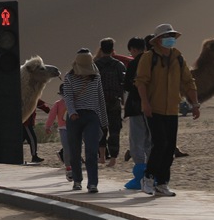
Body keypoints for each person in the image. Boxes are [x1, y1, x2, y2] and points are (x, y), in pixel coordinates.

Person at [136, 24, 201, 197]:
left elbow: (188, 81)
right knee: (160, 143)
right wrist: (145, 103)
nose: (170, 38)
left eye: (172, 35)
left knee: (170, 146)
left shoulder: (178, 57)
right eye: (166, 35)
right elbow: (141, 82)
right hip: (154, 108)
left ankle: (162, 183)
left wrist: (194, 104)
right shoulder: (149, 58)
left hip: (172, 109)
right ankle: (148, 178)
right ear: (157, 40)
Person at [62, 49, 108, 193]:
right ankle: (77, 180)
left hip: (92, 117)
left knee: (91, 151)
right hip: (75, 118)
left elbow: (101, 99)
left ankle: (93, 183)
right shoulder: (69, 77)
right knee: (75, 151)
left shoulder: (96, 77)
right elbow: (68, 97)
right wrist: (72, 112)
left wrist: (104, 122)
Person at [122, 36, 151, 189]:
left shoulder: (134, 63)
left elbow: (127, 85)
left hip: (136, 106)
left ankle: (140, 177)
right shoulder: (153, 61)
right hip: (153, 107)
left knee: (136, 142)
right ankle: (153, 175)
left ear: (133, 49)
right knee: (149, 141)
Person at [94, 38, 127, 167]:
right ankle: (113, 159)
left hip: (99, 102)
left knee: (101, 129)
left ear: (101, 50)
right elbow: (123, 84)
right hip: (114, 101)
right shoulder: (119, 65)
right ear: (113, 50)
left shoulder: (95, 65)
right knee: (115, 130)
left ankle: (102, 157)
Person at [45, 86, 71, 180]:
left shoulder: (75, 102)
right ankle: (68, 168)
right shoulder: (58, 104)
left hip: (76, 129)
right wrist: (48, 126)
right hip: (63, 128)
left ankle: (75, 167)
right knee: (67, 148)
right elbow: (52, 115)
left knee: (76, 147)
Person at [22, 99, 51, 163]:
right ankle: (34, 156)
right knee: (32, 139)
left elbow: (40, 103)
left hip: (26, 122)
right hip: (26, 123)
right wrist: (48, 110)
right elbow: (39, 103)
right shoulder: (30, 97)